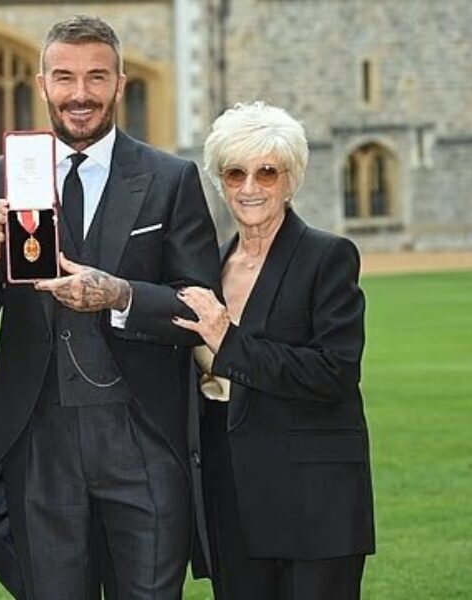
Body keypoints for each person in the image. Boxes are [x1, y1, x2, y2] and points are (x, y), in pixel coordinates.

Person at [0, 14, 221, 600]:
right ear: (42, 83)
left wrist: (122, 295)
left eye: (96, 77)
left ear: (120, 84)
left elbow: (203, 308)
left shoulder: (169, 179)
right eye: (65, 78)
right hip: (40, 441)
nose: (80, 94)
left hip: (143, 439)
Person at [176, 101, 375, 599]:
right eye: (235, 172)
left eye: (267, 172)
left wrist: (229, 341)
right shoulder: (211, 267)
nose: (249, 187)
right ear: (220, 181)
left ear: (291, 179)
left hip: (313, 502)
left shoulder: (327, 257)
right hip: (230, 494)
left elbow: (335, 372)